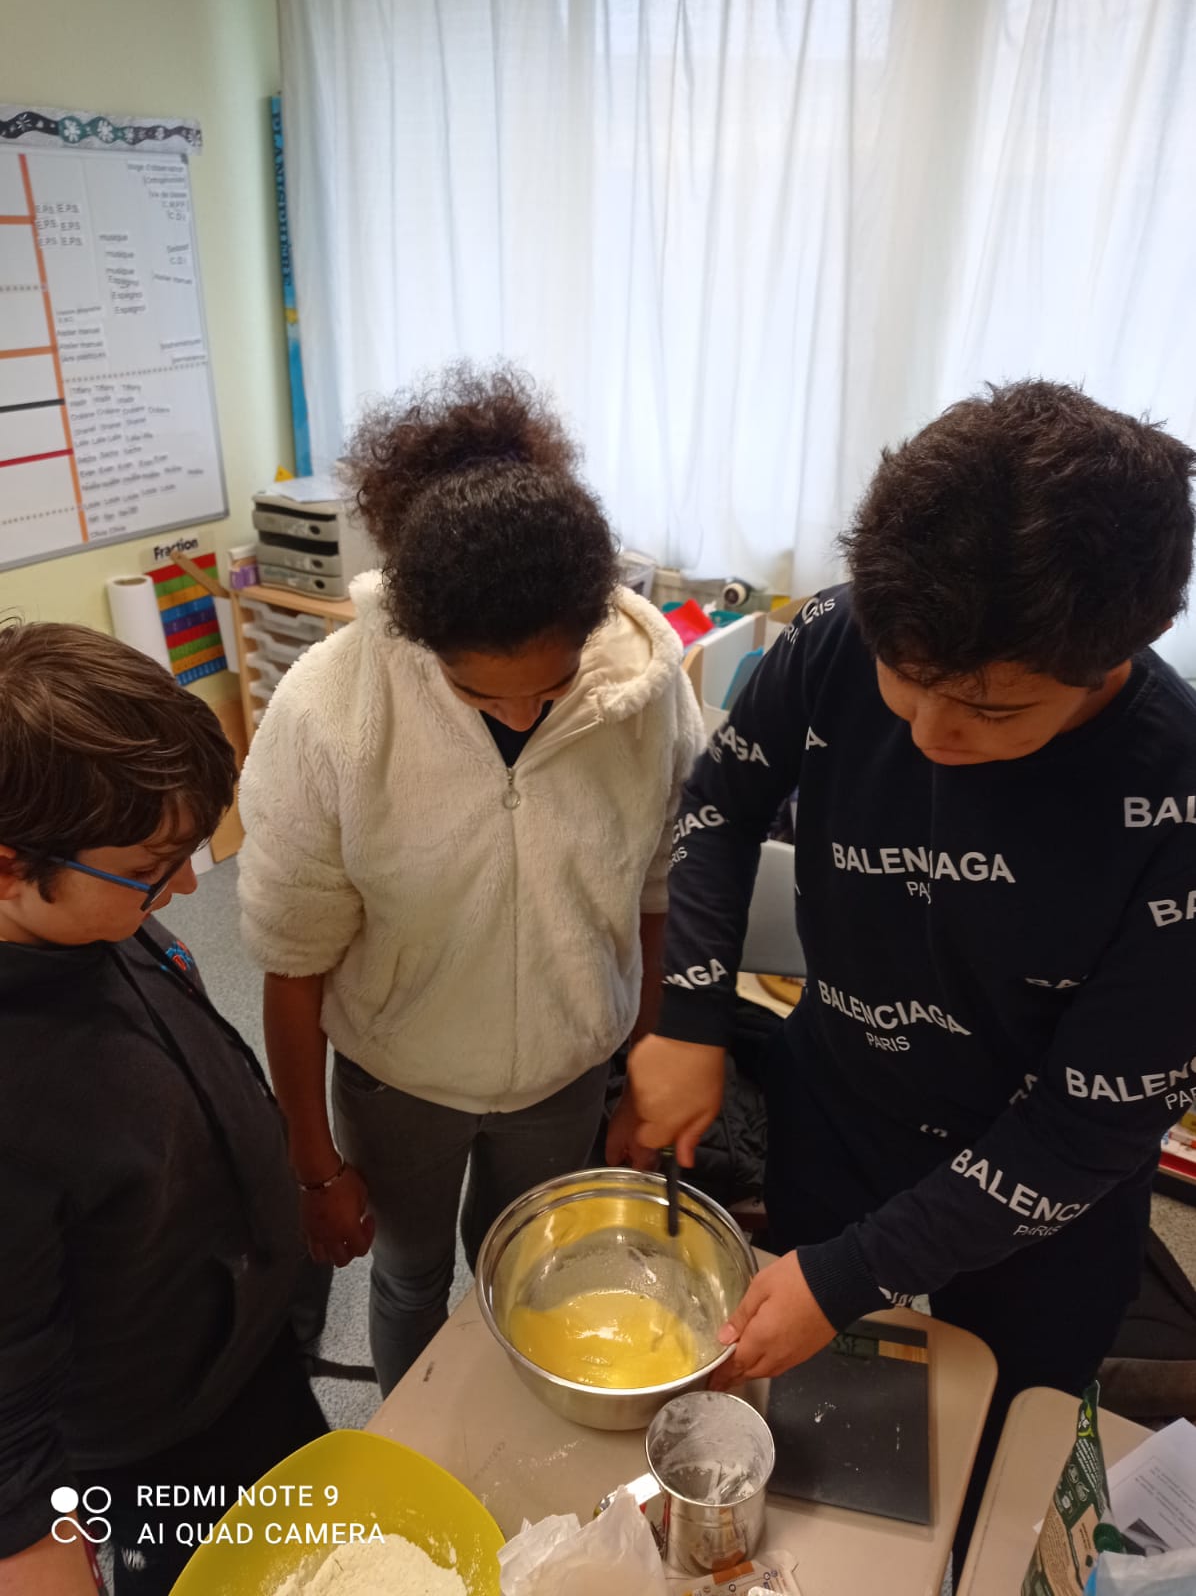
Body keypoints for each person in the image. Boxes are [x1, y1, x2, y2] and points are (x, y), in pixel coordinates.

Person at [610, 379, 1196, 1550]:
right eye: (902, 677)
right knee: (826, 1432)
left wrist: (850, 1275)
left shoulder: (1172, 801)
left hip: (1038, 1199)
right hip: (843, 1111)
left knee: (997, 1465)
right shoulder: (838, 633)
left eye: (990, 710)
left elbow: (1085, 1130)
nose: (927, 733)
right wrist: (689, 1013)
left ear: (1111, 657)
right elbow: (722, 803)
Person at [238, 363, 704, 1393]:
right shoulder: (329, 711)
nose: (519, 714)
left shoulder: (647, 691)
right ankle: (415, 1444)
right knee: (410, 1277)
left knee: (531, 1273)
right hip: (398, 1077)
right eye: (477, 692)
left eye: (550, 685)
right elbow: (290, 954)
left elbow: (662, 895)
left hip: (566, 1068)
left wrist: (643, 1065)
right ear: (422, 640)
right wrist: (312, 1162)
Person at [0, 624, 324, 1596]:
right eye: (151, 867)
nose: (186, 886)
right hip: (153, 1448)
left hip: (246, 1349)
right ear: (9, 867)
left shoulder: (89, 922)